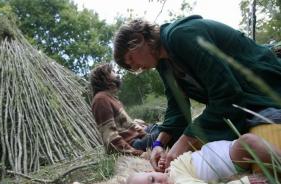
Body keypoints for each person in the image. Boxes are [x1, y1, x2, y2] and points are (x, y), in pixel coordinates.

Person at [113, 15, 281, 171]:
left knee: (267, 168)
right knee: (196, 160)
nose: (135, 68)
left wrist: (185, 141)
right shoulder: (164, 64)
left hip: (264, 92)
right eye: (130, 67)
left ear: (139, 40)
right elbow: (177, 109)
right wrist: (158, 143)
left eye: (131, 59)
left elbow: (227, 95)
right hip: (241, 106)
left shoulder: (181, 36)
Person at [125, 133, 280, 184]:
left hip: (221, 151)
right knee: (249, 141)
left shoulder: (170, 174)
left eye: (152, 179)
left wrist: (168, 166)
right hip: (227, 159)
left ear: (149, 171)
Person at [90, 63, 161, 155]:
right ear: (104, 77)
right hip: (134, 144)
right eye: (113, 71)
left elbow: (127, 126)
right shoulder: (101, 99)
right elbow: (110, 138)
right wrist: (137, 153)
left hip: (138, 138)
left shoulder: (112, 98)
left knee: (160, 126)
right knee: (168, 130)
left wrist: (145, 133)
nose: (117, 74)